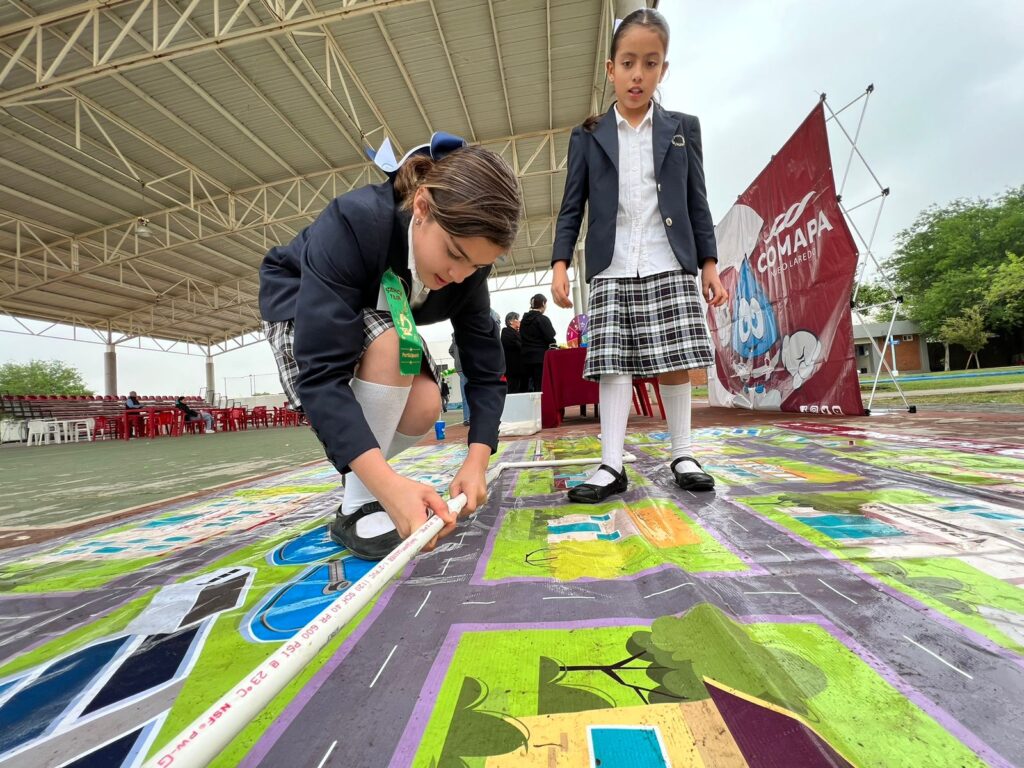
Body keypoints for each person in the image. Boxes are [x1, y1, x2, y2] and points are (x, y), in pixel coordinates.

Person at [259, 133, 521, 560]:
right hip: (299, 302)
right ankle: (358, 504)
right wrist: (389, 486)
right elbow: (322, 376)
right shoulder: (354, 221)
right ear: (421, 208)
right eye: (454, 254)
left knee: (425, 402)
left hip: (379, 321)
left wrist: (477, 460)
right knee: (396, 343)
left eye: (476, 265)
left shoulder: (467, 272)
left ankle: (364, 485)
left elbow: (487, 369)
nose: (459, 275)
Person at [550, 8, 729, 503]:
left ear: (663, 70)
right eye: (628, 62)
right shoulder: (587, 136)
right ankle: (610, 464)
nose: (638, 74)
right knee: (612, 363)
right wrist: (560, 262)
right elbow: (572, 205)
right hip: (609, 263)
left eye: (650, 63)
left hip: (668, 258)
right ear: (610, 68)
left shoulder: (681, 128)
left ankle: (683, 452)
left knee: (674, 358)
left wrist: (709, 263)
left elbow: (697, 200)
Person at [519, 293, 557, 392]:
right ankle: (541, 407)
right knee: (540, 386)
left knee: (527, 387)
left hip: (525, 358)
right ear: (543, 303)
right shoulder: (542, 319)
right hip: (540, 358)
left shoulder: (523, 321)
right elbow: (550, 335)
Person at [448, 334, 471, 426]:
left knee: (465, 394)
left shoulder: (455, 337)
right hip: (469, 367)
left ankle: (466, 418)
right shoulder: (467, 334)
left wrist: (457, 359)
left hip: (460, 368)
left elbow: (451, 350)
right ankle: (472, 417)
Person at [500, 311, 524, 393]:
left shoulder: (517, 333)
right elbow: (519, 345)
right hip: (512, 369)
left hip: (518, 368)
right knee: (513, 390)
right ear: (510, 321)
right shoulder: (506, 332)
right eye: (517, 319)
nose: (519, 321)